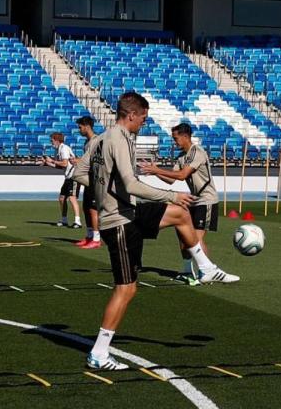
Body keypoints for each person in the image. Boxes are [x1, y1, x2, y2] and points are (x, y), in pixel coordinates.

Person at [72, 91, 239, 371]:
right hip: (119, 221)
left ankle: (206, 267)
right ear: (132, 115)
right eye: (144, 119)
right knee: (126, 289)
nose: (144, 124)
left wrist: (105, 187)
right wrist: (169, 195)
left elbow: (79, 172)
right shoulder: (118, 139)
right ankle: (99, 353)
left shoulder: (101, 139)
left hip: (129, 212)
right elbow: (132, 184)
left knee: (181, 215)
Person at [140, 123, 219, 285]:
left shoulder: (198, 152)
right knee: (185, 238)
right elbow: (171, 179)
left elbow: (182, 175)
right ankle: (187, 270)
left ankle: (207, 272)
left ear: (185, 136)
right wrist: (155, 170)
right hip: (195, 200)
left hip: (207, 200)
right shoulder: (182, 157)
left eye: (176, 138)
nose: (174, 142)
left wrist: (157, 171)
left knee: (195, 239)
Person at [74, 116, 102, 249]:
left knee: (93, 209)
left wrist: (79, 162)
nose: (79, 130)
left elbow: (97, 162)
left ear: (87, 126)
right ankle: (90, 235)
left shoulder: (96, 141)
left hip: (95, 179)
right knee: (86, 207)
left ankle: (97, 238)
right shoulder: (87, 142)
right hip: (88, 179)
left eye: (80, 127)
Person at [44, 132, 82, 228]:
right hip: (68, 177)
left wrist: (52, 160)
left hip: (74, 176)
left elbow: (64, 164)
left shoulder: (64, 148)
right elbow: (62, 166)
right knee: (62, 198)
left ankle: (77, 221)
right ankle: (64, 220)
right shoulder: (60, 149)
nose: (51, 142)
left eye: (52, 140)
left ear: (57, 140)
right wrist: (48, 163)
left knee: (72, 198)